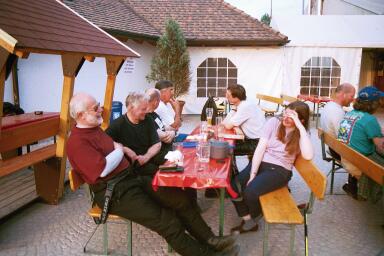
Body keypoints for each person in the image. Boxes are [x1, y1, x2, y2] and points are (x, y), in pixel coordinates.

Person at [66, 92, 239, 256]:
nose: (100, 110)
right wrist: (119, 150)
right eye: (95, 108)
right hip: (115, 193)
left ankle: (210, 240)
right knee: (168, 223)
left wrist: (121, 147)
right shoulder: (77, 142)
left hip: (132, 178)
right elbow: (102, 169)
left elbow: (110, 145)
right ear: (81, 115)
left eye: (98, 106)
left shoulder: (94, 129)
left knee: (180, 199)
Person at [230, 101, 313, 233]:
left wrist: (300, 127)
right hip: (261, 162)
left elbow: (308, 156)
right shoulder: (274, 122)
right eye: (285, 113)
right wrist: (253, 174)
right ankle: (248, 219)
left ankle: (255, 217)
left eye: (291, 117)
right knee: (234, 186)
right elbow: (260, 148)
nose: (285, 118)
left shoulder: (302, 134)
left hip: (280, 170)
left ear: (301, 120)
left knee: (250, 192)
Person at [338, 86, 384, 202]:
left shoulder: (349, 114)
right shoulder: (370, 120)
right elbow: (381, 146)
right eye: (379, 100)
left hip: (347, 157)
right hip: (361, 162)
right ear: (375, 103)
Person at [319, 83, 357, 197]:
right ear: (343, 94)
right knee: (365, 151)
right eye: (351, 96)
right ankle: (355, 186)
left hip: (333, 147)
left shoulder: (329, 106)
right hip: (338, 150)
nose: (353, 99)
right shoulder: (337, 112)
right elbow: (344, 138)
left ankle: (353, 184)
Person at [222, 84, 265, 157]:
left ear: (236, 98)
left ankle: (233, 168)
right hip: (254, 139)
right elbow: (225, 122)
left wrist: (233, 124)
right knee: (225, 143)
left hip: (256, 143)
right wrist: (233, 109)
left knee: (224, 149)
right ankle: (234, 167)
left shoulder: (244, 107)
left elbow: (228, 125)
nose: (226, 97)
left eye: (228, 95)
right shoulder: (243, 104)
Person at [146, 88, 175, 153]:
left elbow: (165, 127)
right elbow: (159, 135)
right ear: (156, 102)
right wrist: (171, 133)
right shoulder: (145, 117)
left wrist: (173, 133)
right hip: (159, 152)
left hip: (168, 148)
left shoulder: (154, 114)